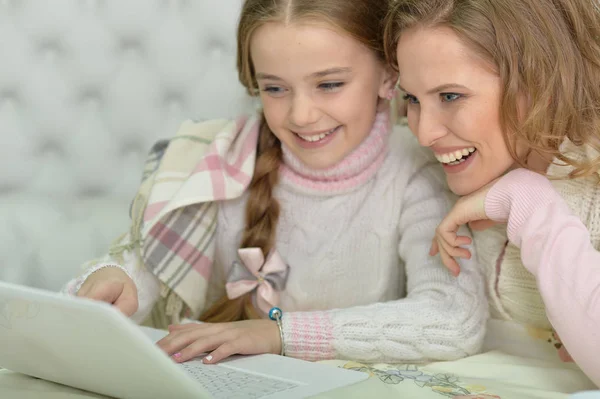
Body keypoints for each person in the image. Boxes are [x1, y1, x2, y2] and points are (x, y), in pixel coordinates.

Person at [63, 0, 487, 366]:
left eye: (330, 84)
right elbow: (143, 265)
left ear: (389, 77)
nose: (301, 114)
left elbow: (453, 319)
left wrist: (277, 335)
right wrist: (113, 277)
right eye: (275, 88)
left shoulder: (416, 170)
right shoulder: (219, 160)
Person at [385, 0, 600, 387]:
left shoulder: (593, 186)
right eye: (413, 99)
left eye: (450, 96)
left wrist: (527, 199)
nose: (425, 133)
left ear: (540, 83)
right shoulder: (423, 172)